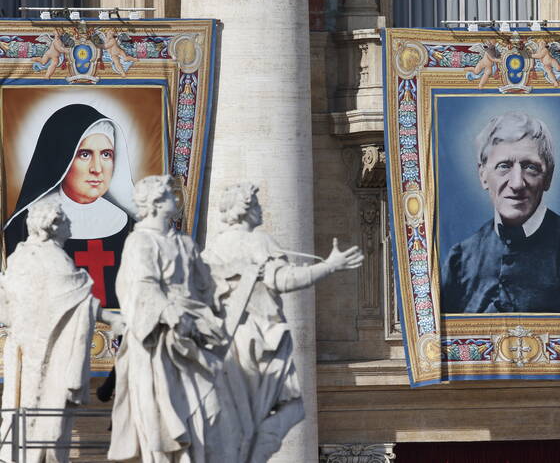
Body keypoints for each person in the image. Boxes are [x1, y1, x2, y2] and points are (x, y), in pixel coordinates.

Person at [203, 183, 363, 463]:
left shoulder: (211, 249)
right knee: (290, 407)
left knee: (238, 415)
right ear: (247, 209)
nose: (261, 210)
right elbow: (284, 279)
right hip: (259, 337)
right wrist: (329, 266)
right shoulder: (257, 242)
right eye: (257, 204)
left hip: (223, 341)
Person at [108, 175, 249, 463]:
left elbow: (207, 281)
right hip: (159, 344)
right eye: (170, 196)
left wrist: (243, 271)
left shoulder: (184, 243)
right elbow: (142, 288)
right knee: (164, 421)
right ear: (156, 204)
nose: (176, 200)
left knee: (212, 410)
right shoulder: (140, 243)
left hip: (193, 338)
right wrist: (169, 312)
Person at [0, 199, 123, 463]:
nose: (70, 225)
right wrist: (112, 319)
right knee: (47, 419)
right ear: (54, 225)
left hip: (21, 353)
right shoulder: (57, 261)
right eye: (66, 220)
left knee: (19, 412)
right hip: (50, 356)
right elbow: (82, 303)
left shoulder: (18, 257)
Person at [441, 111, 560, 314]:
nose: (517, 183)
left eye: (530, 167)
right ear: (483, 175)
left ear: (548, 177)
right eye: (504, 166)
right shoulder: (459, 259)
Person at [3, 103, 137, 308]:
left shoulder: (131, 228)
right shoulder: (24, 226)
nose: (97, 168)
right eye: (85, 154)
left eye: (106, 154)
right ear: (60, 159)